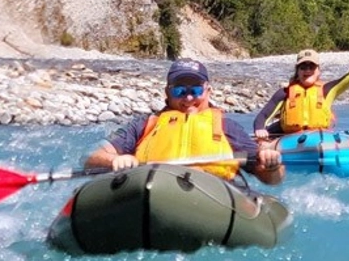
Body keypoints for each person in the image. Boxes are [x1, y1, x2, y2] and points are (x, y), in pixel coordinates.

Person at [85, 58, 285, 184]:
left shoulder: (225, 126)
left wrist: (272, 164)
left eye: (196, 90)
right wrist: (115, 160)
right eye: (180, 90)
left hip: (212, 197)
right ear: (167, 92)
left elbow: (270, 178)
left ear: (208, 91)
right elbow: (92, 159)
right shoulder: (145, 124)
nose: (188, 98)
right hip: (147, 187)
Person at [252, 22, 349, 137]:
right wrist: (259, 129)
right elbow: (262, 117)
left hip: (320, 138)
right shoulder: (284, 93)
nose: (307, 70)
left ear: (318, 71)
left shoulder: (327, 90)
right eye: (303, 67)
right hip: (288, 140)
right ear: (297, 71)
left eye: (312, 66)